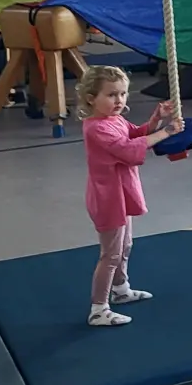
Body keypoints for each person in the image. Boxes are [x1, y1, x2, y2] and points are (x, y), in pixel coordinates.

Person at [77, 66, 182, 326]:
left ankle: (121, 290)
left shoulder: (115, 120)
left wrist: (157, 119)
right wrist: (167, 132)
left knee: (125, 247)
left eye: (123, 94)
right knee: (110, 254)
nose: (119, 100)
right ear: (91, 98)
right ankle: (99, 309)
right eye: (111, 95)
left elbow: (137, 133)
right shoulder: (96, 128)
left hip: (121, 193)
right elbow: (127, 148)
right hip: (108, 197)